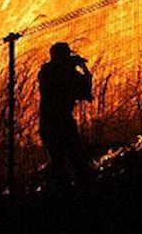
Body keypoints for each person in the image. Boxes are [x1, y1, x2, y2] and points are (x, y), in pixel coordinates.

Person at [38, 42, 93, 188]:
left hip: (51, 122)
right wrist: (82, 70)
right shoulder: (57, 73)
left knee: (61, 160)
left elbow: (82, 92)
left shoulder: (48, 71)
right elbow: (82, 91)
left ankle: (66, 190)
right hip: (60, 123)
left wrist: (78, 68)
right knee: (72, 158)